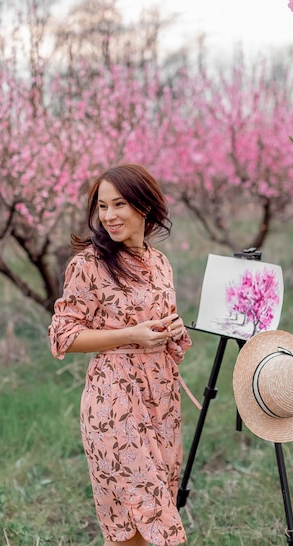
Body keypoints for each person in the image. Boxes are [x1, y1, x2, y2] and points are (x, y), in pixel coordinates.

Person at [48, 163, 192, 546]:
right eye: (102, 206)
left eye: (119, 205)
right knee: (139, 520)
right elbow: (63, 336)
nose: (108, 216)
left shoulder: (161, 263)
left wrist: (173, 328)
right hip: (115, 405)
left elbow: (158, 326)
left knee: (149, 515)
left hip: (161, 401)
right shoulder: (88, 265)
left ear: (144, 207)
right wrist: (132, 335)